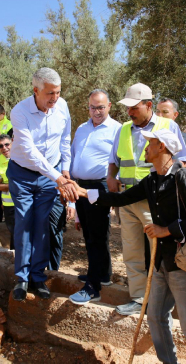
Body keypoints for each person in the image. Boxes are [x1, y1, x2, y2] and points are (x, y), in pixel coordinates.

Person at [63, 129, 186, 364]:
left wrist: (167, 230)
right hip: (161, 262)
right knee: (155, 317)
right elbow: (121, 198)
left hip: (184, 263)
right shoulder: (152, 180)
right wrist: (84, 192)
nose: (145, 149)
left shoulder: (182, 177)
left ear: (161, 147)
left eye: (149, 144)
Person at [107, 83, 186, 316]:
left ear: (149, 105)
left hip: (157, 201)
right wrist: (111, 177)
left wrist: (167, 189)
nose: (130, 112)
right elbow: (114, 160)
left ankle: (163, 302)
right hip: (128, 199)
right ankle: (138, 299)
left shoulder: (168, 125)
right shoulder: (123, 129)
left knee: (159, 251)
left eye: (134, 107)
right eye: (128, 108)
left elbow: (181, 160)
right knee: (132, 252)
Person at [6, 68, 76, 302]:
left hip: (52, 173)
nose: (54, 98)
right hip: (23, 174)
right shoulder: (20, 112)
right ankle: (22, 278)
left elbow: (65, 139)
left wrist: (65, 168)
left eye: (57, 92)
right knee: (24, 221)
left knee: (42, 223)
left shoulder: (62, 106)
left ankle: (38, 275)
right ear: (35, 90)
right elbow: (30, 151)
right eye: (49, 94)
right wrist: (57, 177)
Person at [67, 89, 122, 305]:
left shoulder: (117, 129)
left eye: (100, 107)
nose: (96, 111)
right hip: (79, 186)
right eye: (92, 107)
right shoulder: (82, 128)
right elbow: (72, 156)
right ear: (88, 107)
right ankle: (102, 275)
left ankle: (93, 288)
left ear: (109, 106)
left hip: (99, 187)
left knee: (97, 237)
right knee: (90, 234)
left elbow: (118, 162)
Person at [156, 98, 186, 173]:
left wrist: (183, 177)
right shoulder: (148, 135)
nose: (159, 116)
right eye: (157, 111)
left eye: (165, 112)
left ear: (175, 115)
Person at [0, 134, 15, 249]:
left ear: (12, 143)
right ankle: (16, 259)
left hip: (27, 200)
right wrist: (16, 186)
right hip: (10, 204)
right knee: (15, 232)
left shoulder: (23, 157)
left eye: (7, 144)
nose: (4, 148)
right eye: (1, 146)